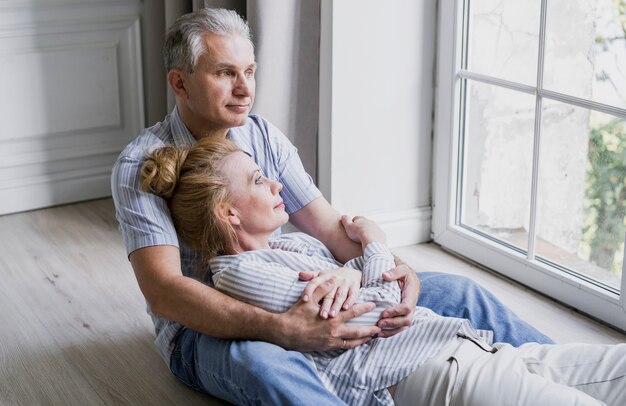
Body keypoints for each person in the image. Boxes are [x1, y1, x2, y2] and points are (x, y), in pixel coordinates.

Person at [111, 7, 552, 405]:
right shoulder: (140, 164)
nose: (245, 88)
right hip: (204, 330)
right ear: (180, 82)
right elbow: (164, 290)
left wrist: (400, 271)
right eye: (226, 73)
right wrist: (282, 330)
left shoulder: (263, 136)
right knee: (268, 366)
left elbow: (330, 229)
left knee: (461, 293)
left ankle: (569, 374)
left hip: (292, 288)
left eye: (250, 70)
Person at [141, 136, 626, 406]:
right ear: (228, 213)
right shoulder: (237, 274)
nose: (273, 183)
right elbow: (355, 317)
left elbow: (372, 288)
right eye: (256, 180)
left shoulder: (296, 243)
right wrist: (373, 246)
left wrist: (357, 271)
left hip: (468, 347)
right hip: (437, 376)